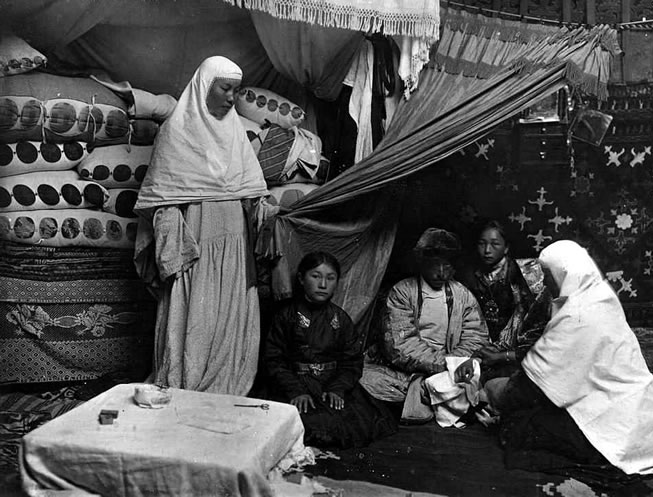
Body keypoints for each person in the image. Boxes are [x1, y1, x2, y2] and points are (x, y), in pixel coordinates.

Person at [487, 240, 653, 482]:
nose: (545, 283)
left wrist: (492, 391)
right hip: (640, 417)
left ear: (565, 274)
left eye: (548, 275)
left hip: (618, 432)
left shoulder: (577, 315)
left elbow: (529, 387)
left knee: (518, 426)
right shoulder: (600, 297)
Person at [133, 56, 274, 396]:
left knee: (230, 317)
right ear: (204, 87)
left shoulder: (237, 136)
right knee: (195, 316)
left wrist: (269, 214)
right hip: (194, 247)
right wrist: (176, 251)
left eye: (235, 91)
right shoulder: (176, 133)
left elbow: (251, 193)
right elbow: (163, 199)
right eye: (225, 89)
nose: (231, 98)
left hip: (235, 248)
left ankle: (227, 385)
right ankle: (188, 383)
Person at [265, 252, 397, 448]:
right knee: (299, 422)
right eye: (315, 276)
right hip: (295, 382)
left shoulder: (340, 319)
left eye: (330, 278)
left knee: (355, 422)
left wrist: (338, 388)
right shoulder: (286, 316)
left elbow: (352, 361)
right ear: (301, 279)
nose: (323, 284)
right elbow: (273, 359)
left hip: (330, 383)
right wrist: (295, 390)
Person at [359, 227, 489, 423]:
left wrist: (456, 364)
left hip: (451, 369)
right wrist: (444, 364)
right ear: (421, 262)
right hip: (405, 372)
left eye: (447, 266)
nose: (441, 273)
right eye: (435, 265)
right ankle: (432, 396)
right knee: (366, 378)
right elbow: (400, 345)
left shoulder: (463, 295)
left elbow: (476, 337)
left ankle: (429, 394)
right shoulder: (402, 291)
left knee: (477, 381)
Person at [457, 219, 550, 384]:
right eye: (482, 244)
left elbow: (532, 322)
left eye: (495, 244)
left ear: (506, 248)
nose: (487, 250)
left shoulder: (525, 274)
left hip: (516, 345)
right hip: (479, 341)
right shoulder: (468, 276)